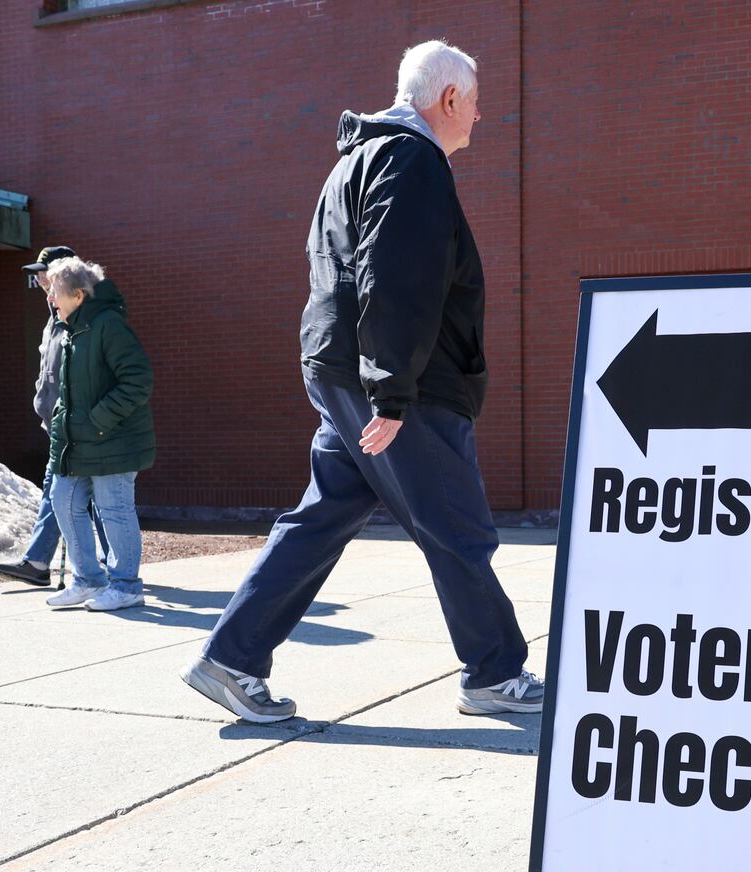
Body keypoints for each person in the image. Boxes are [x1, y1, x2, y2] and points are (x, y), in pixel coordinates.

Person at [180, 40, 542, 726]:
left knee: (323, 517)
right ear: (449, 99)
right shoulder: (413, 160)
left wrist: (367, 381)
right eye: (476, 102)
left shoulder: (356, 162)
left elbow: (339, 274)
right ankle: (495, 671)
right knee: (456, 524)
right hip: (402, 384)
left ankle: (232, 657)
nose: (481, 116)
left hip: (346, 372)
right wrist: (393, 391)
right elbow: (396, 278)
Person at [0, 246, 109, 588]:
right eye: (38, 274)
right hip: (58, 422)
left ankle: (99, 563)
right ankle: (44, 562)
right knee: (59, 491)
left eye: (46, 272)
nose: (40, 279)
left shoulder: (79, 313)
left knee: (87, 494)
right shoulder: (53, 314)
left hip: (77, 423)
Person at [42, 257, 155, 612]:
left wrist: (98, 419)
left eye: (56, 292)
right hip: (79, 444)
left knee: (114, 509)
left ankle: (125, 586)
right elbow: (69, 393)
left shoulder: (107, 324)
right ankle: (88, 580)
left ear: (78, 294)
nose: (51, 300)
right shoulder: (71, 330)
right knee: (64, 500)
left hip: (113, 440)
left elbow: (138, 380)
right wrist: (64, 428)